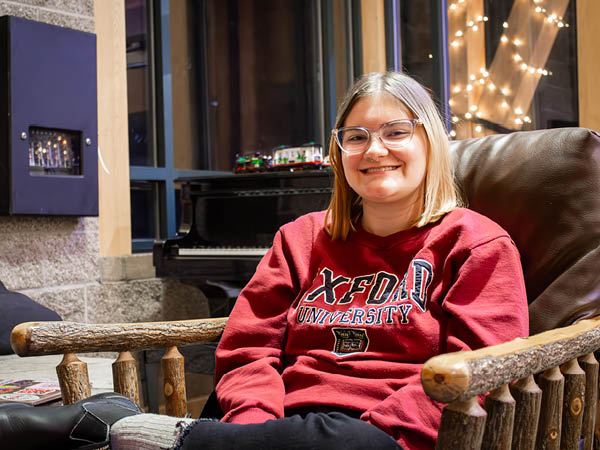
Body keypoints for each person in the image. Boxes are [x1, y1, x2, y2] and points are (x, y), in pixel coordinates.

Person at [0, 71, 529, 450]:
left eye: (397, 131)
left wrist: (378, 430)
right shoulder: (300, 238)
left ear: (430, 143)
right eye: (356, 137)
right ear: (339, 153)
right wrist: (254, 428)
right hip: (279, 424)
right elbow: (249, 344)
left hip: (385, 432)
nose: (374, 150)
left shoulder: (475, 244)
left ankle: (119, 430)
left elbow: (477, 369)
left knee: (345, 441)